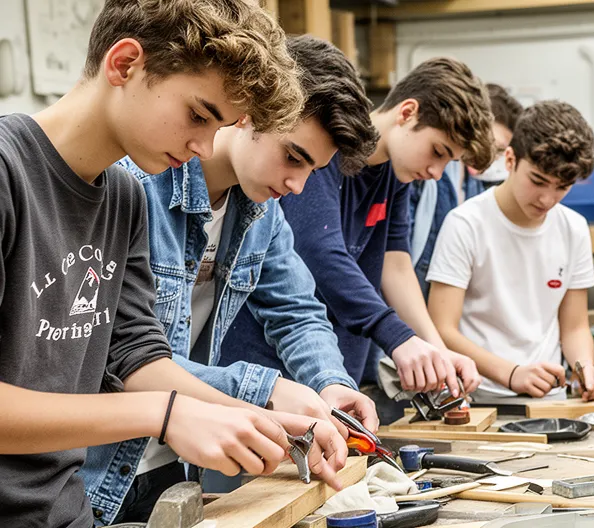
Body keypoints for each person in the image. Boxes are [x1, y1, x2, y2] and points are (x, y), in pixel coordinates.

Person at [0, 1, 348, 526]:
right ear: (124, 64)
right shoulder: (8, 174)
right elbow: (152, 398)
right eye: (199, 115)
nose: (205, 145)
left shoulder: (122, 198)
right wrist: (165, 414)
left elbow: (139, 358)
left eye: (221, 126)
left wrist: (263, 420)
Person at [82, 35, 381, 524]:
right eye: (293, 156)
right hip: (92, 469)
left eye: (313, 170)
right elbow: (121, 360)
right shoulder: (135, 185)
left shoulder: (261, 211)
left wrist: (330, 382)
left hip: (173, 464)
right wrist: (265, 390)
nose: (297, 185)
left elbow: (296, 310)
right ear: (249, 113)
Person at [223, 57, 491, 418]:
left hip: (330, 362)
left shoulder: (394, 175)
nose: (435, 172)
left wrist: (433, 348)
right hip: (268, 358)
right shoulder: (322, 147)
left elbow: (395, 266)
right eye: (438, 152)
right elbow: (320, 251)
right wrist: (396, 335)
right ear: (407, 112)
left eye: (448, 163)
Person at [427, 100, 594, 402]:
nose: (547, 198)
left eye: (562, 187)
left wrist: (586, 370)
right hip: (477, 399)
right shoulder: (465, 224)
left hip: (549, 400)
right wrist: (512, 373)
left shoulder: (574, 229)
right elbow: (441, 329)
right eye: (538, 181)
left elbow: (575, 327)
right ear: (511, 159)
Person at [408, 83, 524, 299]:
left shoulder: (477, 182)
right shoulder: (426, 174)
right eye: (491, 144)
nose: (491, 156)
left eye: (499, 152)